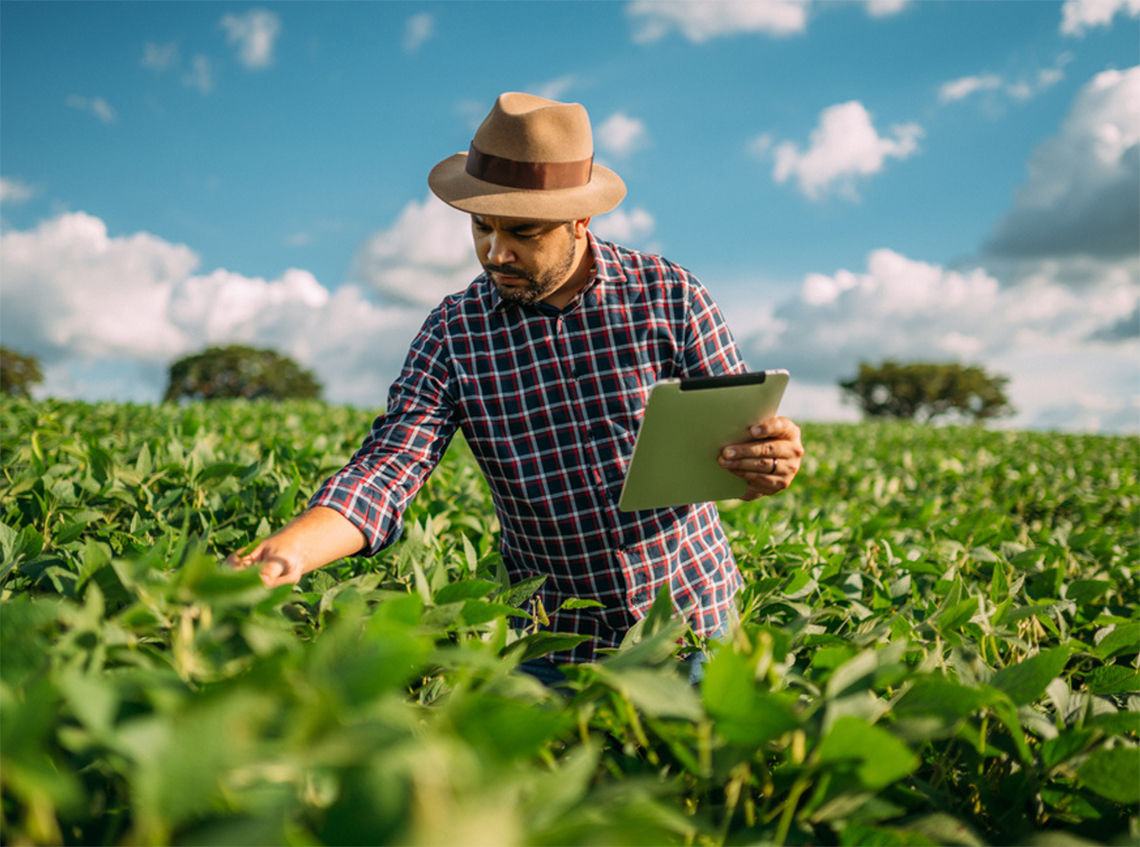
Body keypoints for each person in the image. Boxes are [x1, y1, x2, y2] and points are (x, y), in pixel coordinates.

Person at [230, 92, 804, 673]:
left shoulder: (670, 296)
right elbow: (387, 468)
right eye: (482, 228)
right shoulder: (454, 334)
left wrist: (765, 464)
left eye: (524, 233)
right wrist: (290, 552)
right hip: (551, 642)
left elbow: (742, 446)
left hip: (686, 624)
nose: (495, 253)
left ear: (580, 220)